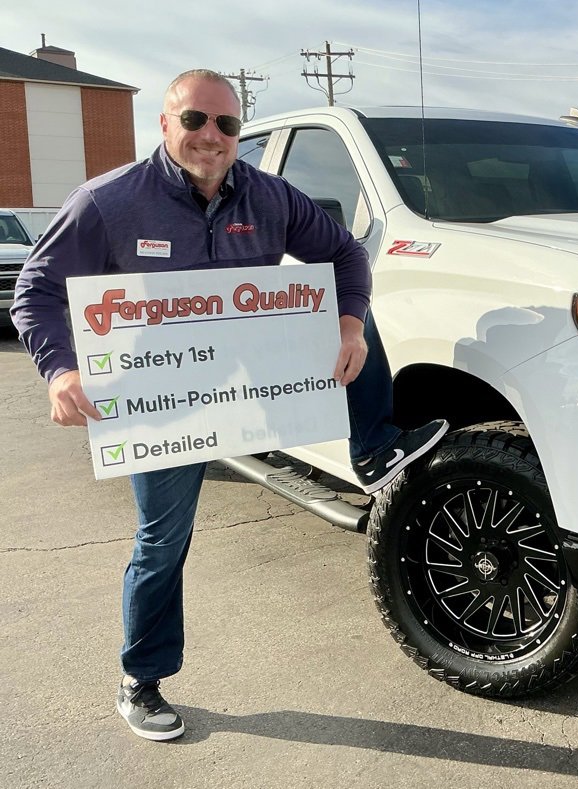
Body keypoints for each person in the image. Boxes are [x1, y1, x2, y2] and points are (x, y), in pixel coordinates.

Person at [11, 69, 448, 742]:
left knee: (346, 310)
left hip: (253, 379)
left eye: (226, 124)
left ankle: (374, 443)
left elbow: (342, 256)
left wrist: (351, 323)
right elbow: (37, 290)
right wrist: (60, 370)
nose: (211, 136)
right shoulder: (107, 202)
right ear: (164, 126)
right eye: (195, 121)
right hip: (162, 397)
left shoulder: (272, 197)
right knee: (162, 541)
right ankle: (142, 679)